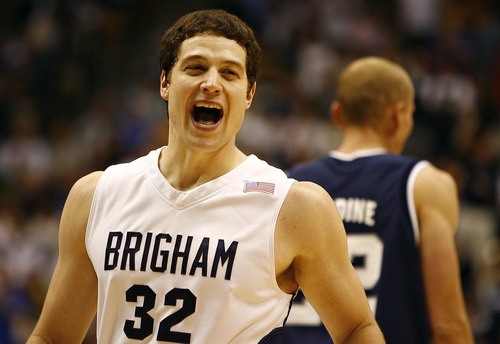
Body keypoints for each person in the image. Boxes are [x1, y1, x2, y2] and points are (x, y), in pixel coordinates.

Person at [27, 10, 385, 344]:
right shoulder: (96, 196)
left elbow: (356, 328)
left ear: (249, 94)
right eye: (195, 68)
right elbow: (52, 336)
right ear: (165, 82)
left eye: (229, 73)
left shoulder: (295, 207)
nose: (211, 83)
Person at [283, 56, 474, 344]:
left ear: (338, 115)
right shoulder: (425, 184)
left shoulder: (288, 186)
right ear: (398, 116)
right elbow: (448, 328)